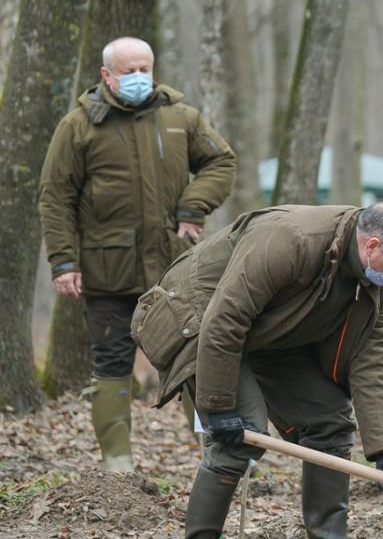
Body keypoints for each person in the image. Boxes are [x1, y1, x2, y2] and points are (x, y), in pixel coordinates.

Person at [132, 202, 383, 539]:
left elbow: (372, 353)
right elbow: (225, 319)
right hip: (200, 319)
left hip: (272, 333)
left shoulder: (379, 278)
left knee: (330, 421)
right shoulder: (292, 239)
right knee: (242, 433)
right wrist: (218, 407)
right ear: (372, 247)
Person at [38, 36, 236, 473]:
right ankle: (118, 464)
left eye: (145, 68)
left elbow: (221, 162)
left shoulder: (180, 118)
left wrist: (192, 206)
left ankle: (217, 456)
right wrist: (64, 261)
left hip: (174, 269)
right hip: (107, 270)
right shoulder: (79, 126)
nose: (139, 77)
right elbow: (55, 197)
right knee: (112, 362)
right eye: (129, 71)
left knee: (192, 360)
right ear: (106, 75)